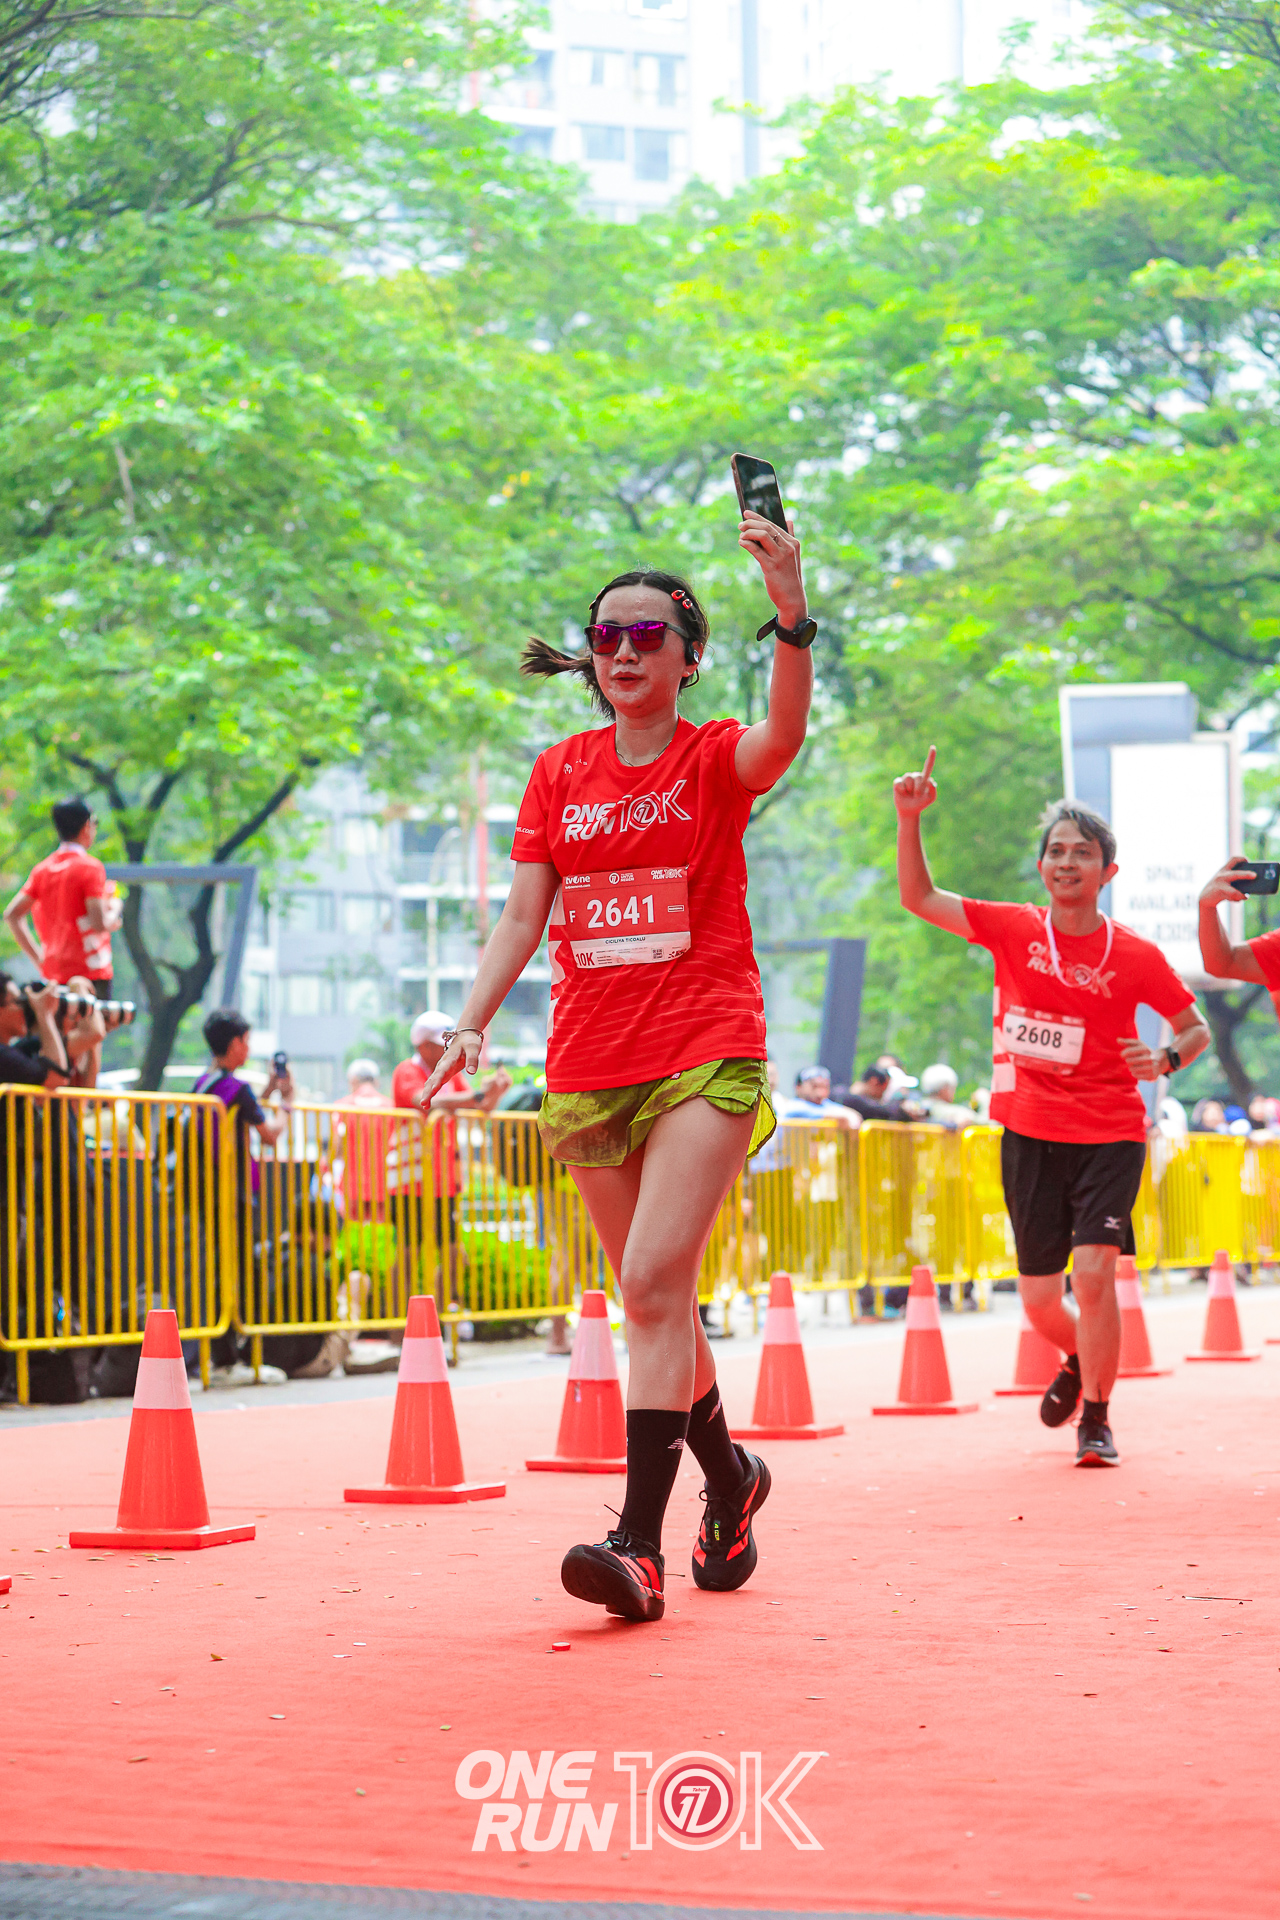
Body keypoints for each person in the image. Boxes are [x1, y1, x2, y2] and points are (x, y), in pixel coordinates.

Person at [415, 511, 813, 1623]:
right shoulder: (558, 773)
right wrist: (469, 1023)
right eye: (606, 637)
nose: (625, 652)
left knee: (648, 1282)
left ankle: (636, 1546)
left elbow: (783, 735)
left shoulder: (713, 756)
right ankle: (730, 1479)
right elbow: (520, 916)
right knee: (655, 1299)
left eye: (648, 635)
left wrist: (789, 609)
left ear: (688, 655)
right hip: (589, 1058)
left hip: (704, 1045)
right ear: (589, 659)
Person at [894, 748, 1211, 1467]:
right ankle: (1079, 1357)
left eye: (1083, 852)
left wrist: (1165, 1059)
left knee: (1095, 1275)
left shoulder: (1134, 954)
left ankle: (1096, 1417)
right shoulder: (1013, 928)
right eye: (1057, 851)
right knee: (1040, 1301)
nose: (1068, 862)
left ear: (1108, 872)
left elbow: (1195, 1028)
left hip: (1110, 1132)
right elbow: (920, 898)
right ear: (1042, 867)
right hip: (1030, 1130)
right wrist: (909, 819)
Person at [193, 1008, 294, 1389]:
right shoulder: (237, 1088)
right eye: (246, 1041)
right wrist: (287, 1104)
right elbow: (269, 1134)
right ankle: (237, 1358)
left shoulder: (205, 1083)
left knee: (219, 1269)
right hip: (234, 1194)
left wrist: (266, 1091)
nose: (248, 1048)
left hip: (207, 1192)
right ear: (235, 1043)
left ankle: (223, 1357)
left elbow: (242, 1111)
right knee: (242, 1273)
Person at [389, 1011, 512, 1303]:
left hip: (443, 1181)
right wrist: (478, 1096)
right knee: (408, 1253)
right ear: (422, 1046)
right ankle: (397, 1321)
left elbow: (477, 1106)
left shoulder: (450, 1075)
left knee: (454, 1252)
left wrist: (496, 1091)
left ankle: (440, 1316)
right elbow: (426, 1099)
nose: (449, 1048)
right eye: (442, 1042)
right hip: (410, 1181)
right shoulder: (406, 1070)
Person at [3, 800, 123, 991]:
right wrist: (115, 907)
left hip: (54, 976)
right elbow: (99, 923)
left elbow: (12, 914)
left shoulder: (43, 870)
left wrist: (40, 960)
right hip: (90, 974)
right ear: (86, 826)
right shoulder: (90, 867)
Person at [780, 1064, 858, 1129]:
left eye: (825, 1087)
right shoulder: (793, 1106)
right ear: (799, 1087)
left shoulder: (825, 1104)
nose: (820, 1093)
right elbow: (842, 1117)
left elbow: (853, 1116)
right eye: (815, 1086)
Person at [918, 1062, 986, 1129]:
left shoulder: (919, 1108)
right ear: (944, 1089)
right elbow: (985, 1122)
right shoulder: (952, 1112)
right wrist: (984, 1098)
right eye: (952, 1088)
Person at [840, 1062, 906, 1123]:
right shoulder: (848, 1097)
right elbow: (884, 1112)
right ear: (874, 1082)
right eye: (883, 1089)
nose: (883, 1094)